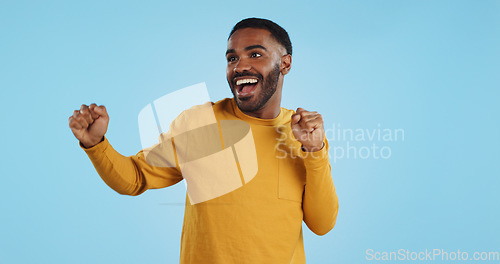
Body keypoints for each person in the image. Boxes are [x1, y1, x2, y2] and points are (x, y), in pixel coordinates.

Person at [68, 18, 339, 264]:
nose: (240, 66)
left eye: (255, 54)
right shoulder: (200, 122)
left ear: (285, 64)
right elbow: (135, 177)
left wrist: (315, 151)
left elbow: (322, 224)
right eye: (232, 58)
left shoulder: (303, 135)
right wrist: (97, 144)